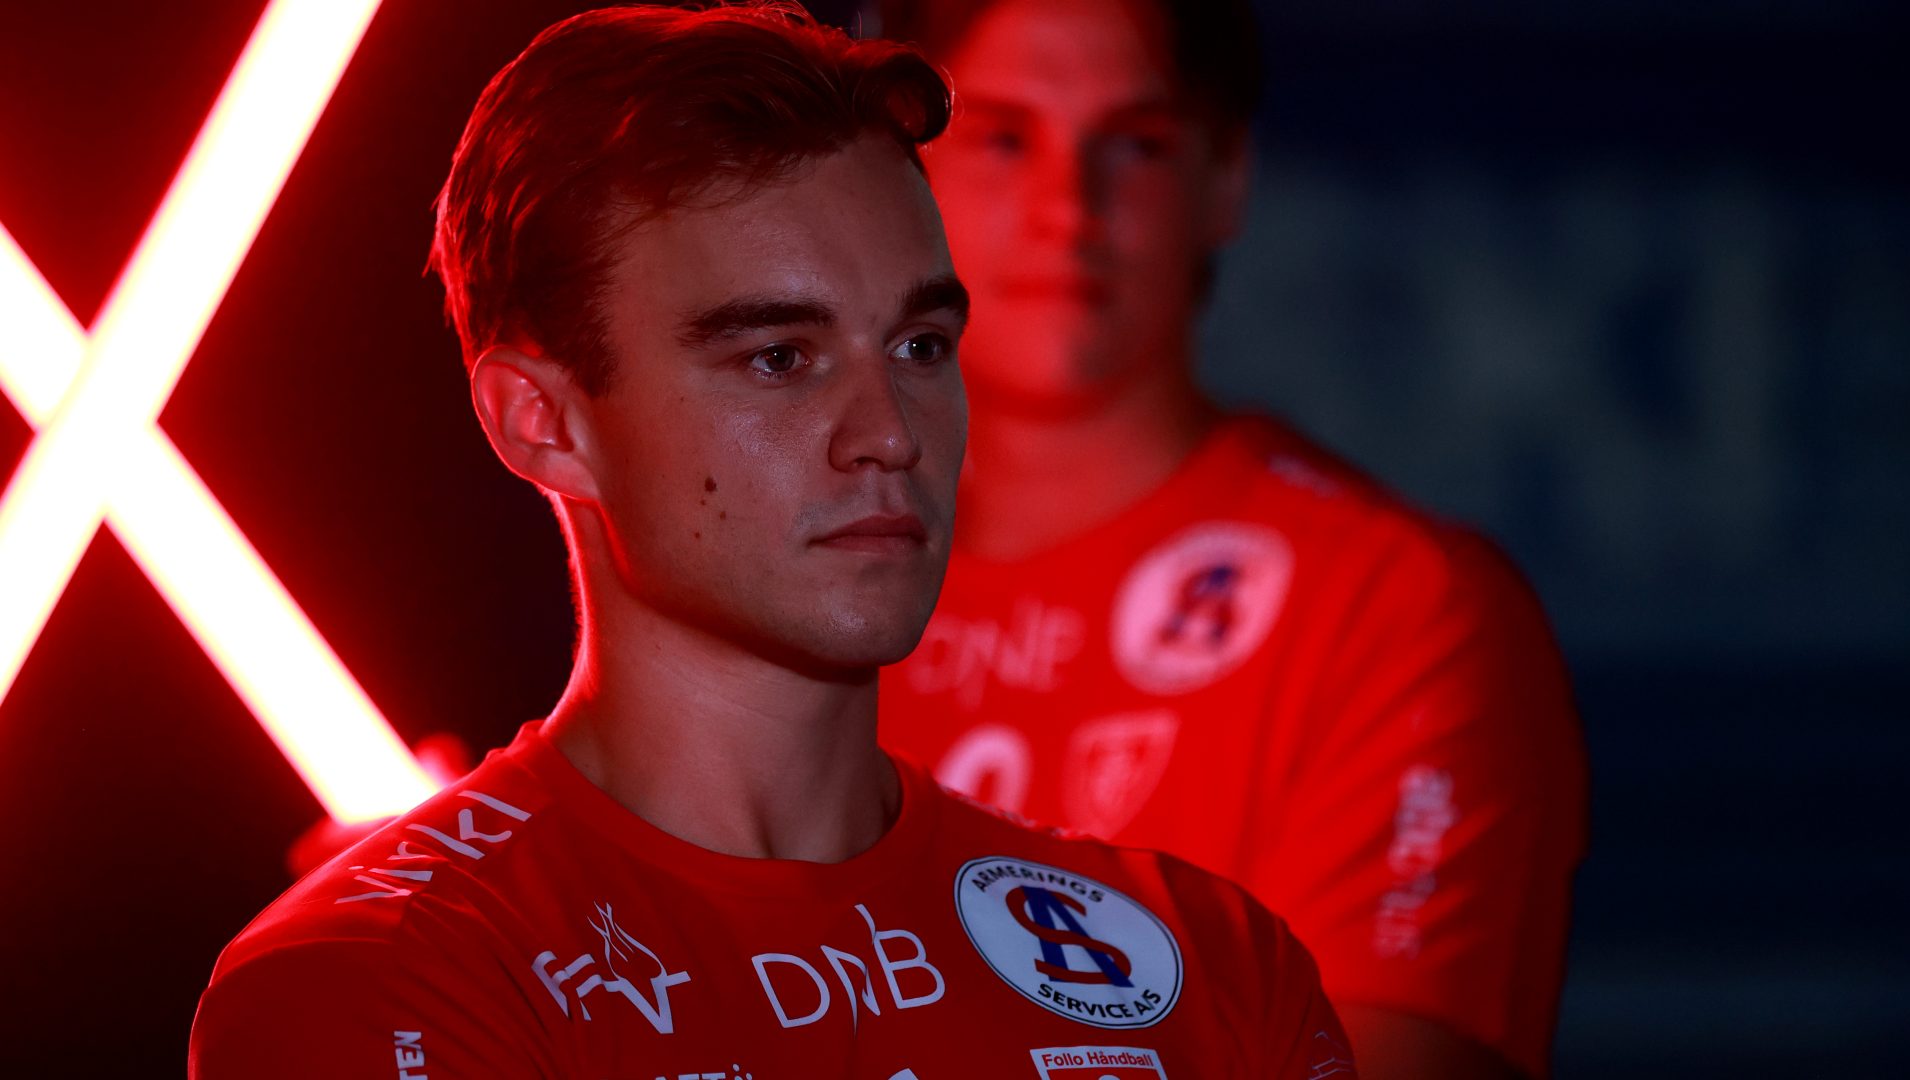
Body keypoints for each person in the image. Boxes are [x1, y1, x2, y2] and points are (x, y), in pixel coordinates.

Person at [188, 5, 1353, 1076]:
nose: (889, 434)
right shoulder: (377, 981)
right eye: (779, 358)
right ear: (542, 423)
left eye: (919, 348)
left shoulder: (1206, 969)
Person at [871, 2, 1588, 1077]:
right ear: (894, 173)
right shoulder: (779, 591)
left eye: (1138, 145)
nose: (1069, 208)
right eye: (1005, 138)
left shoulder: (1394, 611)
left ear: (1226, 180)